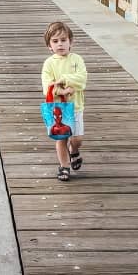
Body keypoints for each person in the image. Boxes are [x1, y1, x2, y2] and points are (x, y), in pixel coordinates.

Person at [41, 21, 88, 182]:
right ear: (49, 45)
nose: (60, 44)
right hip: (58, 108)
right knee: (61, 138)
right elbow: (47, 85)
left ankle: (74, 151)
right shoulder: (49, 63)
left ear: (70, 42)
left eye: (63, 40)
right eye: (55, 41)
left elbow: (82, 78)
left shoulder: (77, 59)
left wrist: (64, 79)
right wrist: (61, 91)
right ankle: (64, 165)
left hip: (76, 106)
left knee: (77, 139)